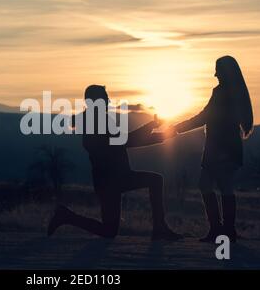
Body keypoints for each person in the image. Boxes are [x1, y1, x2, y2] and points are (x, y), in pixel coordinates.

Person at [47, 85, 182, 241]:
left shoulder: (93, 120)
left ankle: (66, 216)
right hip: (113, 179)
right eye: (105, 97)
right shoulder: (97, 121)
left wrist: (159, 134)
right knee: (156, 180)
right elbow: (126, 141)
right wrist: (154, 129)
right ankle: (159, 229)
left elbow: (124, 141)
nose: (108, 100)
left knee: (109, 231)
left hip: (109, 180)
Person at [173, 56, 254, 242]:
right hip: (223, 147)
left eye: (217, 69)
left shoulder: (223, 93)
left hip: (221, 148)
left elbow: (205, 117)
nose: (214, 73)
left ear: (225, 71)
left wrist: (177, 128)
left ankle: (222, 230)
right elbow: (207, 117)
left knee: (215, 186)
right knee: (215, 186)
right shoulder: (231, 92)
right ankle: (223, 230)